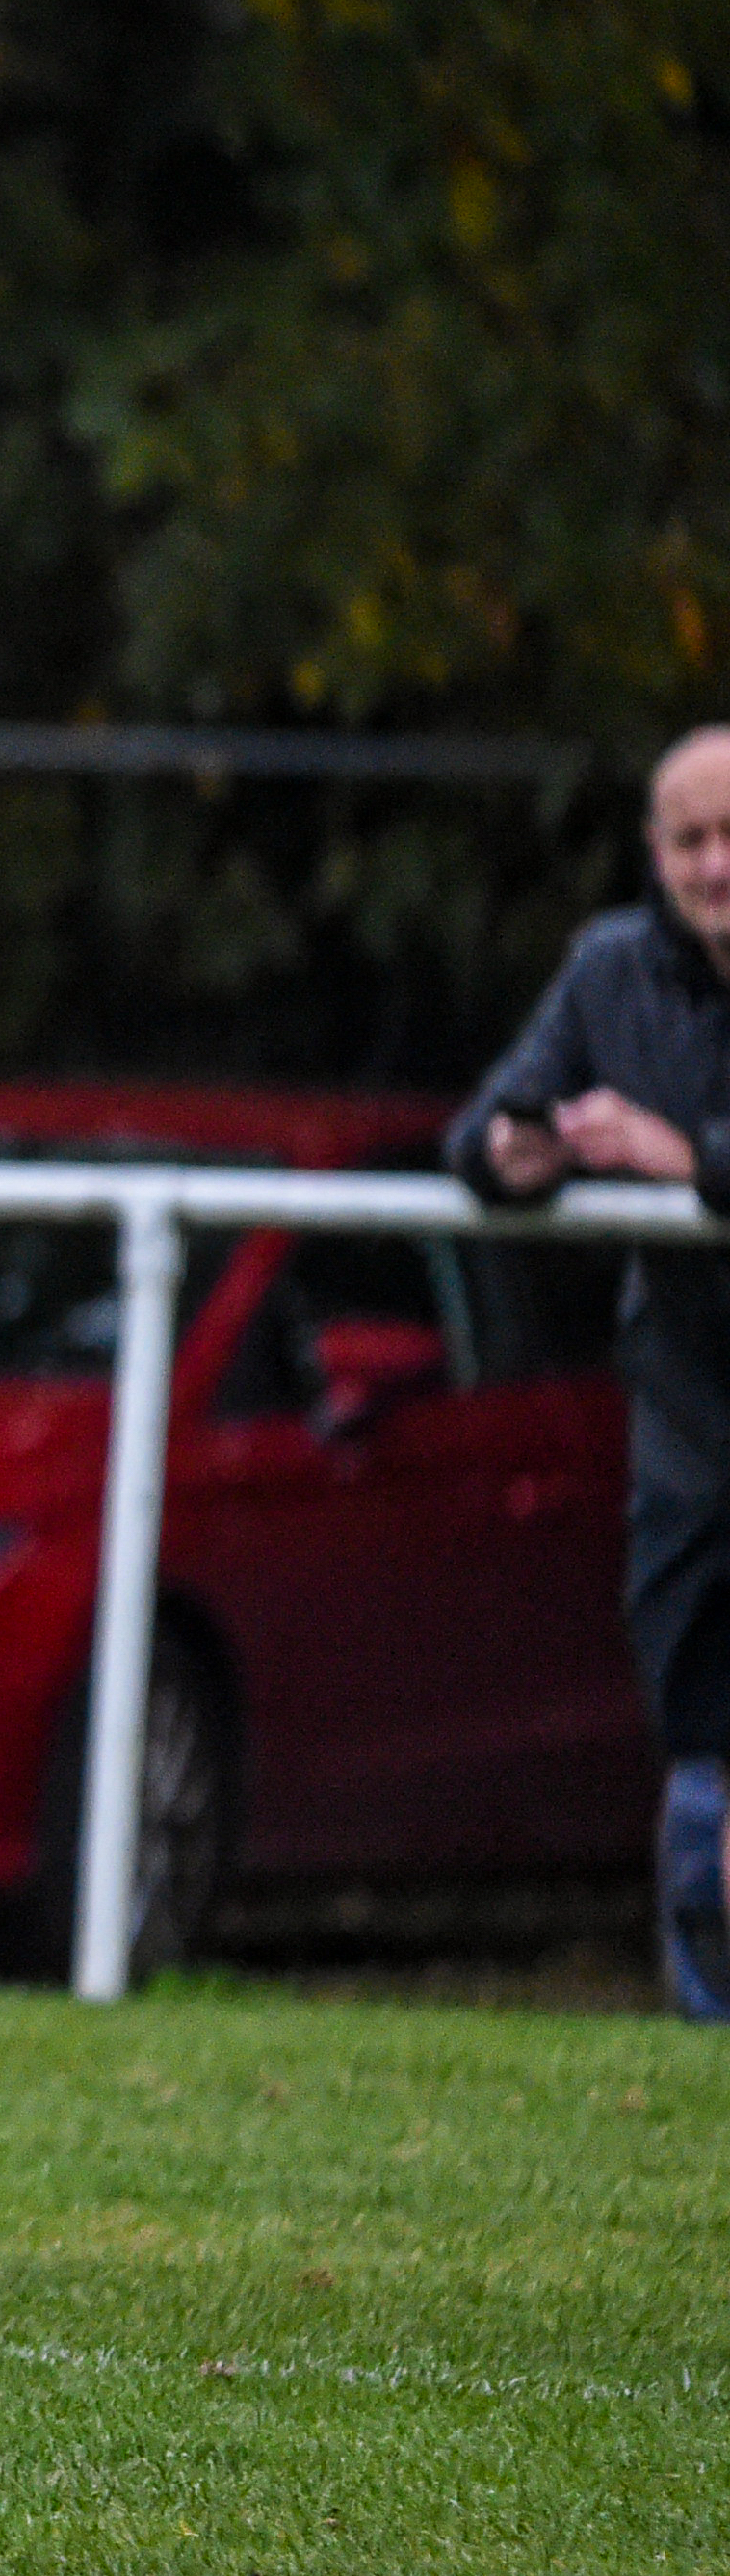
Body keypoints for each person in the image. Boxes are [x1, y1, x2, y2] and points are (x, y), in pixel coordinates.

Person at [450, 723, 730, 2021]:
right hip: (689, 1403)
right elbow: (486, 1124)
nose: (713, 864)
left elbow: (695, 1157)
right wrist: (519, 1154)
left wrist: (688, 1161)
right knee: (693, 1711)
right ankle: (700, 2003)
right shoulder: (611, 971)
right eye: (688, 839)